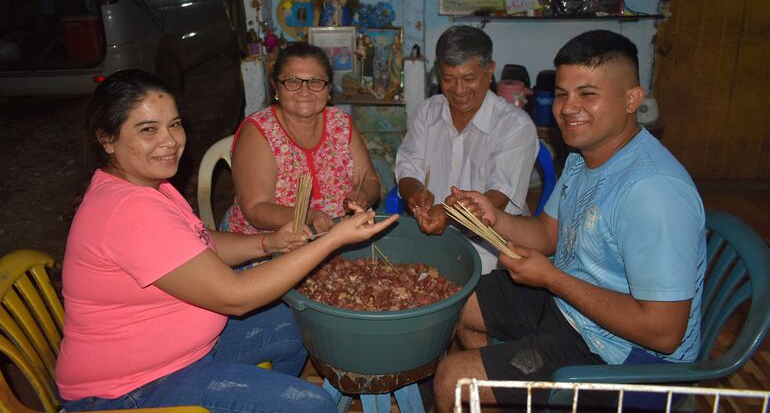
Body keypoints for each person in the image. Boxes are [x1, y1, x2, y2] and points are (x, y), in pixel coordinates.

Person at [56, 69, 399, 412]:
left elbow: (199, 242)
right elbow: (236, 298)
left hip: (185, 353)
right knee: (312, 406)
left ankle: (264, 398)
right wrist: (332, 240)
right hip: (129, 390)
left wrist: (269, 243)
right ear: (107, 139)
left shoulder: (148, 187)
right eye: (148, 129)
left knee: (299, 323)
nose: (170, 141)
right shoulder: (129, 210)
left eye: (174, 125)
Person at [432, 30, 707, 413]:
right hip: (574, 309)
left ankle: (498, 387)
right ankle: (506, 393)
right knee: (458, 302)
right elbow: (548, 233)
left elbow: (663, 333)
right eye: (562, 94)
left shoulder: (653, 192)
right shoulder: (584, 157)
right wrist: (494, 217)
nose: (567, 108)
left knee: (452, 379)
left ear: (632, 99)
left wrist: (552, 278)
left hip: (628, 360)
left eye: (587, 94)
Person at [395, 25, 538, 273]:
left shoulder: (515, 126)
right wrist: (416, 192)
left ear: (490, 70)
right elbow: (407, 169)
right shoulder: (427, 113)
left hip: (491, 249)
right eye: (448, 79)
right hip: (429, 241)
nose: (459, 90)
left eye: (469, 78)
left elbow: (499, 196)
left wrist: (449, 214)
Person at [224, 42, 381, 235]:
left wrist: (363, 195)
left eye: (315, 82)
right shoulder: (259, 132)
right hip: (268, 243)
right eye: (292, 81)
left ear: (329, 88)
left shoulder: (341, 124)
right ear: (275, 86)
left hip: (338, 237)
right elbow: (256, 208)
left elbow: (370, 180)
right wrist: (307, 216)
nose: (304, 91)